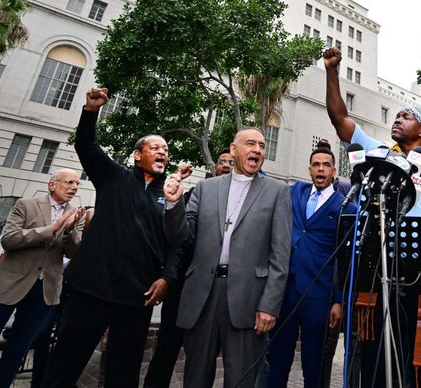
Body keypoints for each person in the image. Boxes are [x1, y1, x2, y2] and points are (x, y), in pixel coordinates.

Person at [322, 47, 421, 388]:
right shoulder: (379, 156)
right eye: (395, 116)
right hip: (381, 274)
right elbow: (341, 122)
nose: (397, 120)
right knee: (378, 361)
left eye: (406, 116)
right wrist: (331, 72)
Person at [41, 88, 182, 388]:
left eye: (166, 150)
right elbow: (86, 145)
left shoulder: (170, 196)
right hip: (90, 291)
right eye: (155, 148)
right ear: (137, 154)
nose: (162, 153)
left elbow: (176, 243)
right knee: (65, 365)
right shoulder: (113, 177)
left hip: (137, 299)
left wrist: (167, 278)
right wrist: (90, 112)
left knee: (123, 374)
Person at [162, 127, 291, 388]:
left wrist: (269, 305)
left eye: (262, 146)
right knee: (195, 378)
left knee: (241, 380)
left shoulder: (277, 191)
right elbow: (181, 238)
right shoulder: (205, 188)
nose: (257, 150)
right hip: (203, 297)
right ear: (233, 150)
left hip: (248, 300)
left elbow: (281, 254)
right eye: (250, 144)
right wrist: (174, 205)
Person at [0, 169, 85, 388]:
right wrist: (54, 228)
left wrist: (69, 232)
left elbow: (73, 252)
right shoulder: (26, 205)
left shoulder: (76, 213)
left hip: (44, 291)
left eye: (77, 184)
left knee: (17, 351)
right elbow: (9, 239)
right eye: (69, 182)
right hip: (9, 285)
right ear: (52, 185)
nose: (75, 187)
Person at [143, 147, 235, 388]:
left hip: (215, 290)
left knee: (203, 355)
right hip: (183, 286)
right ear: (216, 167)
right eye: (222, 162)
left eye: (231, 163)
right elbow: (178, 242)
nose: (226, 166)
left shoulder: (239, 204)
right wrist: (168, 277)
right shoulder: (195, 194)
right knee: (167, 346)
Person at [268, 142, 357, 388]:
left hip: (319, 295)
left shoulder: (346, 208)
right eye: (316, 165)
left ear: (334, 171)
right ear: (309, 169)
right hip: (286, 290)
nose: (320, 169)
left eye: (326, 165)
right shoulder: (295, 191)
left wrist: (338, 300)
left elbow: (345, 259)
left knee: (314, 363)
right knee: (278, 358)